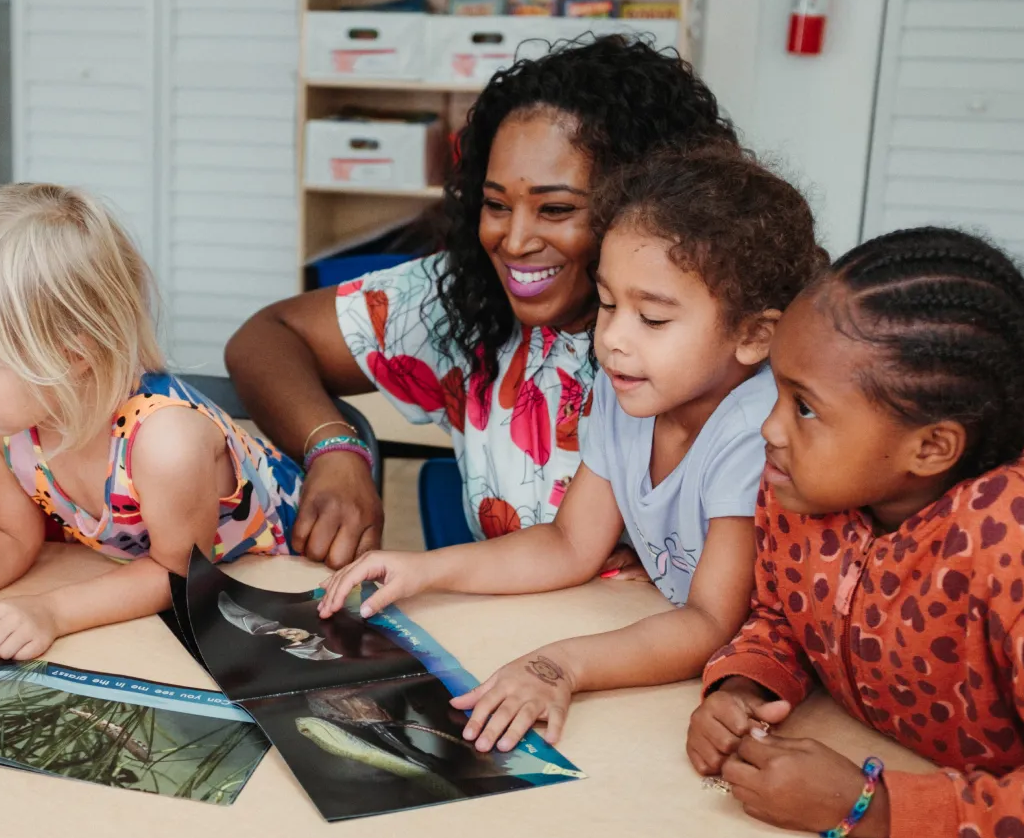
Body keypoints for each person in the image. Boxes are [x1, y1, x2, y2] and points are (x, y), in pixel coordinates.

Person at [320, 144, 826, 753]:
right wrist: (423, 568)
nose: (612, 338)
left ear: (753, 335)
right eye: (609, 303)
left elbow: (710, 622)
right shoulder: (632, 391)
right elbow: (569, 544)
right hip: (661, 671)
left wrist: (560, 666)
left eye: (654, 319)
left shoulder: (754, 432)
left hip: (763, 697)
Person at [225, 35, 736, 568]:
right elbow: (267, 338)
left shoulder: (704, 339)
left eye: (556, 209)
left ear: (645, 207)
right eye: (495, 204)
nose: (514, 241)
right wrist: (333, 448)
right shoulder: (470, 298)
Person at [688, 227, 1024, 838]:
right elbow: (780, 614)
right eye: (778, 390)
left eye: (804, 407)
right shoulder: (802, 482)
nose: (770, 427)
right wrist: (742, 690)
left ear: (932, 448)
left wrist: (873, 806)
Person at [0, 184, 301, 661]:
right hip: (180, 604)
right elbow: (10, 537)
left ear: (71, 356)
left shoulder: (166, 443)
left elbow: (179, 573)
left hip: (289, 580)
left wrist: (52, 612)